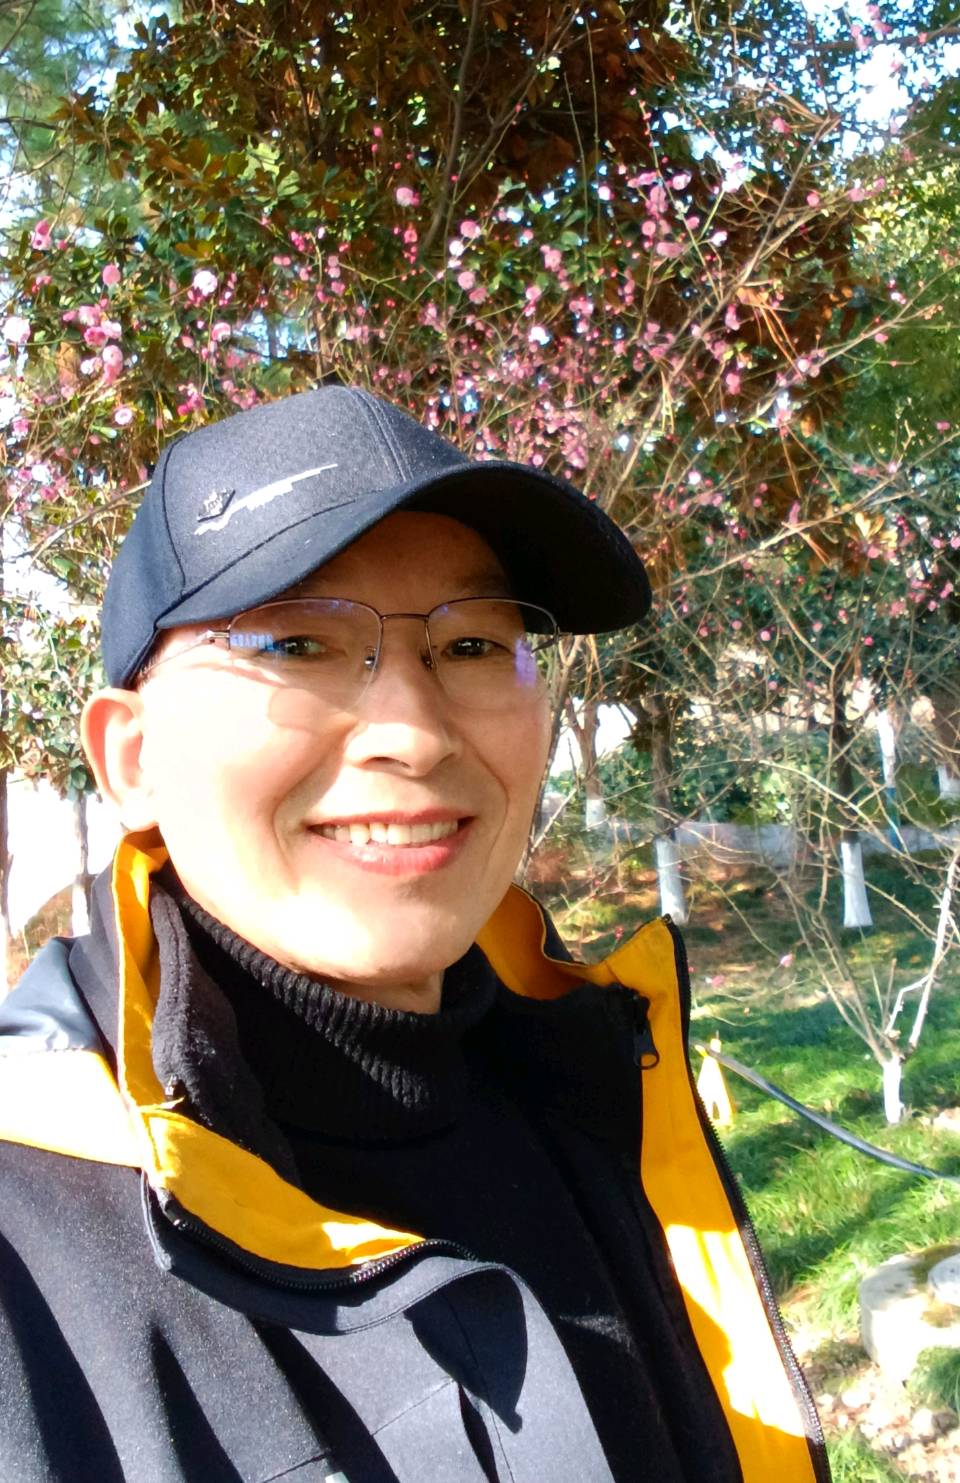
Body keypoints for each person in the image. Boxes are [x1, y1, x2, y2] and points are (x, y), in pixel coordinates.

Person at [0, 386, 828, 1482]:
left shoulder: (601, 1086)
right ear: (132, 758)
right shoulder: (27, 1243)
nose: (413, 732)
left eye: (474, 643)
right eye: (297, 642)